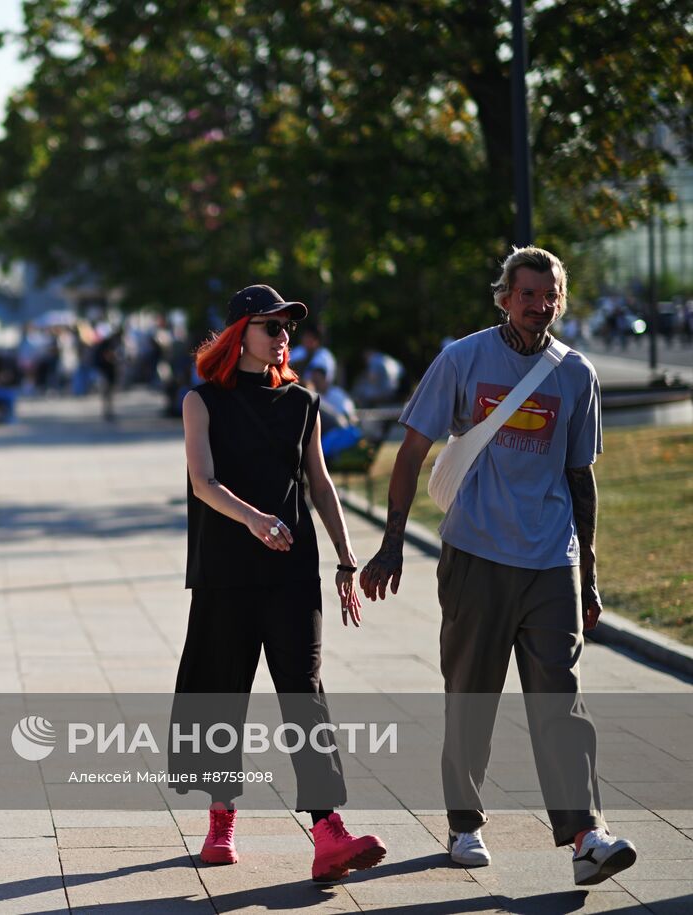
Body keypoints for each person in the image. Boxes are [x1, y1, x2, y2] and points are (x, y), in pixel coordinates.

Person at [360, 246, 637, 886]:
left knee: (560, 701)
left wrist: (588, 573)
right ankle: (464, 824)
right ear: (505, 297)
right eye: (529, 294)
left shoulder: (575, 375)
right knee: (471, 697)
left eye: (551, 296)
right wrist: (393, 541)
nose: (540, 306)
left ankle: (584, 835)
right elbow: (411, 454)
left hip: (550, 561)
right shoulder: (463, 360)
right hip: (475, 556)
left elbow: (580, 477)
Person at [172, 284, 386, 882]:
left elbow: (319, 484)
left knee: (304, 691)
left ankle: (327, 830)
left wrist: (346, 559)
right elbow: (202, 483)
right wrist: (256, 520)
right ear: (241, 332)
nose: (283, 336)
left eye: (288, 326)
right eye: (272, 325)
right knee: (222, 692)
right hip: (226, 572)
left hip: (293, 572)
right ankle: (221, 819)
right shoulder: (202, 401)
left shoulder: (302, 402)